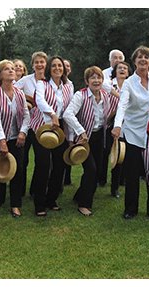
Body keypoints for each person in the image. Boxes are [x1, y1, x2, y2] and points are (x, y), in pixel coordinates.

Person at [111, 46, 149, 221]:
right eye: (140, 57)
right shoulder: (129, 83)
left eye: (147, 57)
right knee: (132, 172)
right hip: (133, 131)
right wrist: (118, 125)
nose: (143, 60)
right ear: (134, 61)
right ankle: (131, 209)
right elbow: (122, 105)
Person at [64, 66, 114, 216]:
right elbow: (68, 114)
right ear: (87, 81)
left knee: (97, 171)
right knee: (91, 170)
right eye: (92, 78)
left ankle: (79, 195)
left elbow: (112, 113)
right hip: (84, 139)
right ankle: (84, 204)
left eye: (99, 77)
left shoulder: (106, 95)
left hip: (100, 137)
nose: (96, 80)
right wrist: (81, 131)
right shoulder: (81, 95)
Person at [29, 55, 74, 216]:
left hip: (60, 127)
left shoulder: (69, 86)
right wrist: (52, 114)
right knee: (43, 165)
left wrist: (70, 134)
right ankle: (39, 204)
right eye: (54, 66)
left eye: (60, 66)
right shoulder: (41, 84)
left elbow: (70, 109)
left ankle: (52, 199)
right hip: (42, 126)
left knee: (60, 165)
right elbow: (39, 100)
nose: (57, 68)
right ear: (49, 68)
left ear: (64, 69)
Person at [0, 60, 30, 217]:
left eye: (12, 68)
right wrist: (2, 141)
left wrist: (23, 132)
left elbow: (26, 115)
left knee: (17, 170)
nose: (11, 71)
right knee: (0, 168)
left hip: (16, 137)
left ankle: (15, 204)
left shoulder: (19, 93)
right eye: (6, 69)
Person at [14, 52, 47, 198]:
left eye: (42, 62)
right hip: (26, 125)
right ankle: (19, 190)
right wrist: (26, 100)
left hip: (43, 126)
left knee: (41, 160)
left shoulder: (49, 81)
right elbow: (12, 90)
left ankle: (36, 189)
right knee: (23, 159)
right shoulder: (26, 80)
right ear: (32, 65)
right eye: (37, 62)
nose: (40, 64)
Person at [99, 61, 131, 198]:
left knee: (120, 155)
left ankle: (115, 187)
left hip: (126, 125)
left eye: (125, 68)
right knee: (105, 153)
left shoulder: (132, 86)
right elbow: (103, 84)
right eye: (119, 68)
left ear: (128, 72)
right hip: (110, 124)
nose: (122, 70)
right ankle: (100, 179)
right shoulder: (109, 83)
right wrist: (120, 96)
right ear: (115, 71)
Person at [62, 58, 74, 186]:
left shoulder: (70, 84)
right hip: (56, 119)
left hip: (67, 120)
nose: (66, 68)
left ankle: (66, 179)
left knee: (67, 148)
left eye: (68, 66)